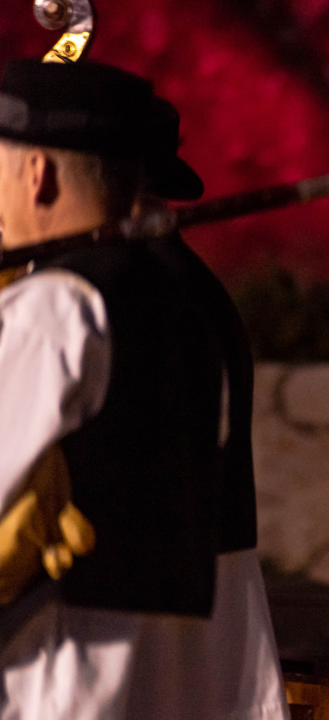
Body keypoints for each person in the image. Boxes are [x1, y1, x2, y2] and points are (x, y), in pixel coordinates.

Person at [0, 59, 287, 719]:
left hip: (62, 677)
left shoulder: (55, 306)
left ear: (37, 174)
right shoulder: (190, 299)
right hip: (171, 675)